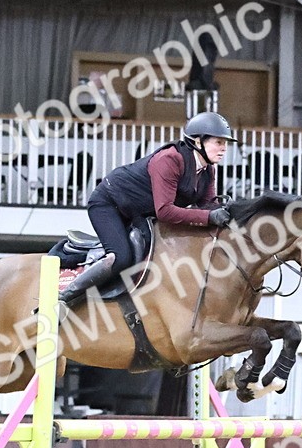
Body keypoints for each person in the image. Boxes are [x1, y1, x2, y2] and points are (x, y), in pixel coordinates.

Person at [58, 111, 239, 307]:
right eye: (218, 142)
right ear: (197, 141)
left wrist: (228, 214)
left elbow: (208, 206)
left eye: (225, 143)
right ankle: (66, 297)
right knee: (120, 257)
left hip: (141, 213)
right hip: (109, 203)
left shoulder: (207, 170)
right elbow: (165, 211)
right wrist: (210, 216)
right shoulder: (169, 160)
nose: (223, 149)